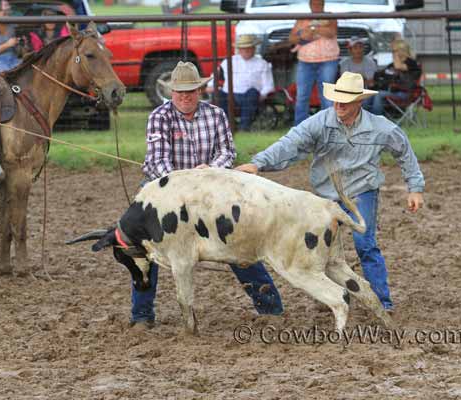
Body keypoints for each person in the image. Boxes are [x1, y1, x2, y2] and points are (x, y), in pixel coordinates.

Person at [235, 71, 425, 313]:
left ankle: (381, 302)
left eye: (345, 101)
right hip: (325, 194)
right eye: (336, 99)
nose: (338, 105)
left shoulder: (381, 128)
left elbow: (405, 152)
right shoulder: (320, 122)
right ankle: (334, 297)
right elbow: (290, 143)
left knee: (364, 243)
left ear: (359, 102)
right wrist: (258, 163)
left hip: (361, 191)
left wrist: (415, 188)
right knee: (321, 247)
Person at [135, 61, 284, 328]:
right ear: (172, 93)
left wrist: (210, 171)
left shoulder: (216, 114)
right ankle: (142, 314)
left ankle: (270, 306)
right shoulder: (159, 116)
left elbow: (227, 151)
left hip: (210, 193)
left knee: (237, 239)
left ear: (200, 91)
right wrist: (189, 179)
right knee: (144, 248)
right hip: (165, 193)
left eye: (191, 92)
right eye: (180, 92)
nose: (185, 97)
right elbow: (158, 162)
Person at [207, 34, 274, 131]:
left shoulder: (262, 63)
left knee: (252, 93)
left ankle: (244, 127)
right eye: (243, 48)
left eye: (249, 48)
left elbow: (269, 84)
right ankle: (227, 126)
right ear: (239, 49)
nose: (246, 50)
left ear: (254, 48)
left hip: (249, 95)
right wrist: (211, 86)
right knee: (218, 95)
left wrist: (262, 94)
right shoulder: (228, 61)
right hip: (228, 94)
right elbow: (215, 76)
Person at [289, 0, 339, 125]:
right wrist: (303, 35)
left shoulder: (330, 16)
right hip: (305, 61)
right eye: (314, 4)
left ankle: (329, 126)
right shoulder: (302, 19)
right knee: (302, 96)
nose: (317, 6)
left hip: (328, 60)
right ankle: (300, 127)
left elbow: (331, 32)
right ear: (310, 5)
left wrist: (311, 29)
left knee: (327, 96)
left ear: (323, 4)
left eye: (319, 4)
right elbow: (292, 38)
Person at [371, 39, 422, 116]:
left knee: (378, 95)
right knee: (368, 95)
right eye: (393, 51)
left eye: (394, 51)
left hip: (405, 93)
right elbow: (380, 74)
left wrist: (396, 57)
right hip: (392, 91)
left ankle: (375, 120)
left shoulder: (411, 63)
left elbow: (398, 67)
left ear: (402, 51)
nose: (392, 53)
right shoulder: (392, 65)